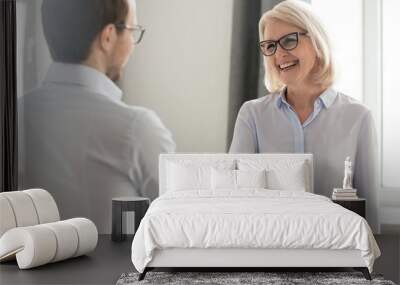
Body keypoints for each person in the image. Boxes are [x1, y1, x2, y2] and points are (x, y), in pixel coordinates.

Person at [20, 0, 176, 233]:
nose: (133, 44)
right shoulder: (137, 130)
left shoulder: (14, 115)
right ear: (108, 37)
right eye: (132, 31)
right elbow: (179, 224)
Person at [229, 0, 379, 233]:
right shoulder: (252, 115)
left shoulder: (359, 117)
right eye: (270, 46)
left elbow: (370, 220)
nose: (279, 54)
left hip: (336, 253)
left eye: (289, 40)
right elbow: (235, 199)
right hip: (267, 248)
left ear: (317, 43)